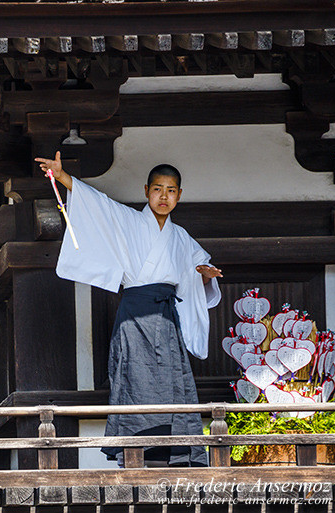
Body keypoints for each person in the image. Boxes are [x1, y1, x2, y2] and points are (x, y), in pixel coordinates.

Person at [34, 152, 222, 467]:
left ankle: (176, 452)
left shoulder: (181, 238)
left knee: (174, 381)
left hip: (167, 319)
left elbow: (198, 268)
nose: (164, 196)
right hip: (135, 314)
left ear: (179, 195)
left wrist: (204, 275)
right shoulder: (128, 220)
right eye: (158, 189)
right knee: (134, 378)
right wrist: (62, 175)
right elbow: (95, 203)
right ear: (147, 190)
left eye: (171, 190)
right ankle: (135, 452)